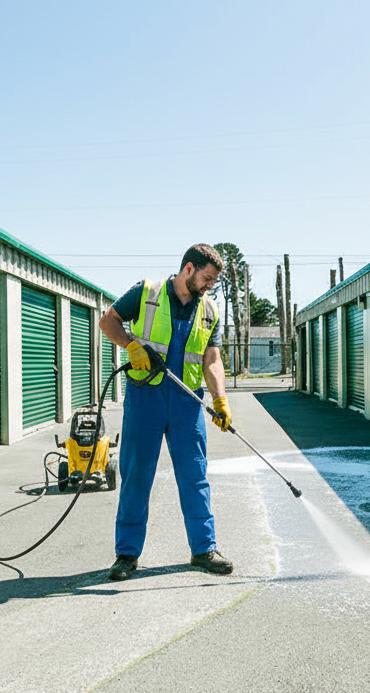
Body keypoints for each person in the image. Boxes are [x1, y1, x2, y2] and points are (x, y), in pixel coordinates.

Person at [97, 243, 233, 582]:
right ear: (189, 269)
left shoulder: (209, 310)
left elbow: (211, 359)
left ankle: (203, 549)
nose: (209, 286)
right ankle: (126, 554)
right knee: (136, 476)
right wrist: (130, 345)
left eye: (213, 281)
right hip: (146, 398)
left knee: (195, 476)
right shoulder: (147, 292)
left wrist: (220, 400)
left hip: (187, 403)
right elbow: (107, 321)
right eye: (206, 278)